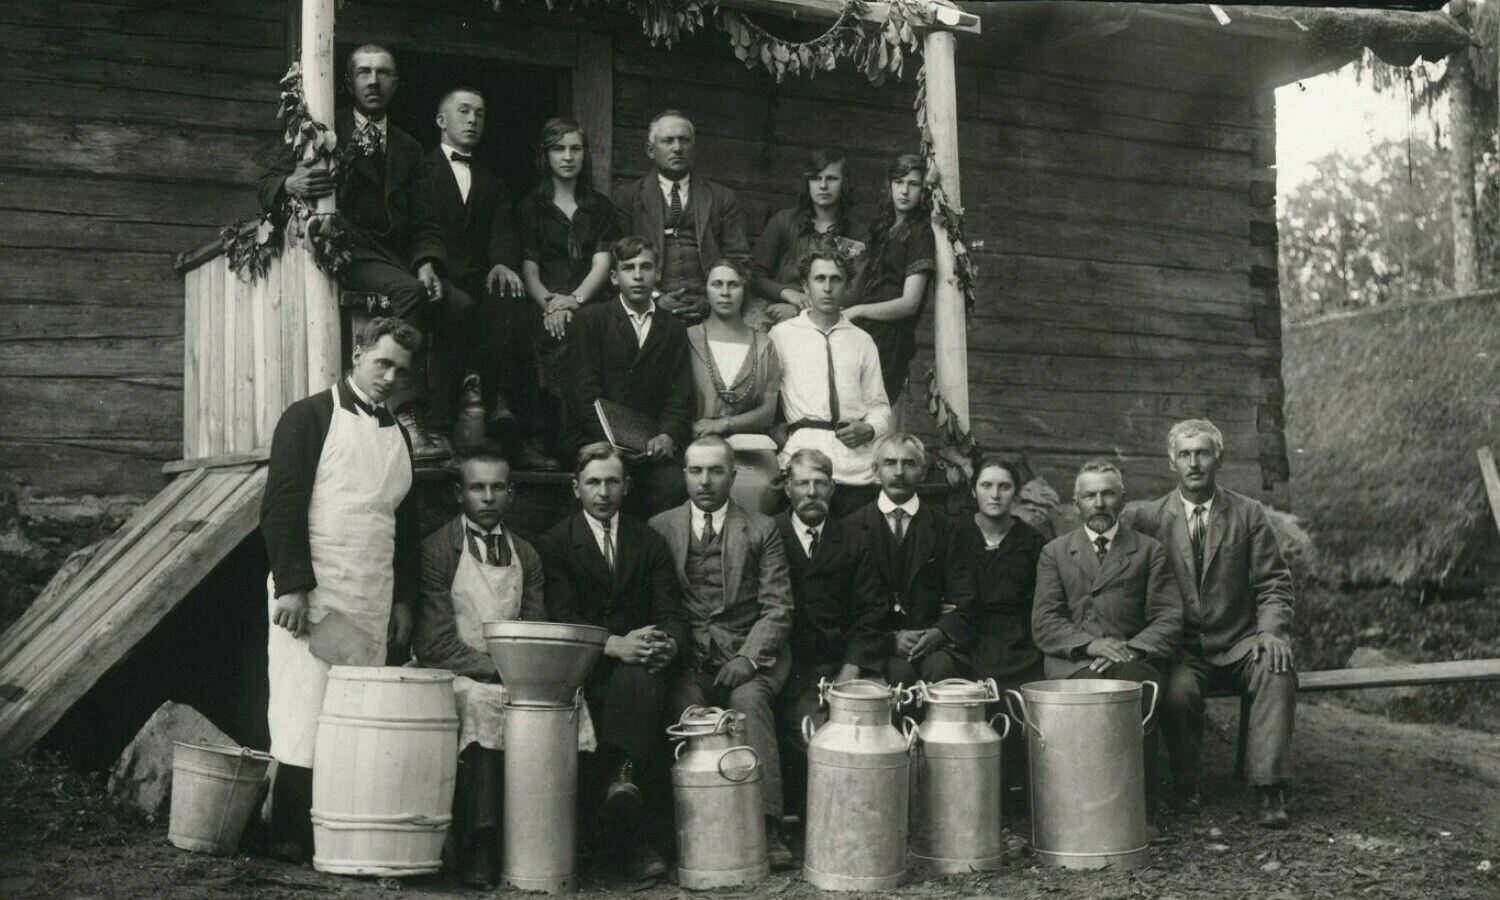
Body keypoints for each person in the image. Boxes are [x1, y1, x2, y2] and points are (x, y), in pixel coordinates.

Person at [259, 316, 422, 864]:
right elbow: (281, 504)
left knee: (354, 714)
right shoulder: (308, 417)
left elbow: (405, 526)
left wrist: (404, 600)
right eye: (382, 363)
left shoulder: (399, 434)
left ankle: (341, 829)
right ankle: (287, 831)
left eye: (400, 370)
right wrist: (292, 587)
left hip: (371, 593)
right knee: (302, 708)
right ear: (357, 354)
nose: (390, 378)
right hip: (314, 591)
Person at [256, 46, 461, 456]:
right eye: (364, 73)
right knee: (409, 293)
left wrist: (426, 262)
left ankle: (444, 423)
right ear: (348, 82)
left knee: (461, 305)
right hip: (347, 250)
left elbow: (425, 221)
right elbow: (265, 185)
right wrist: (290, 184)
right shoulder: (319, 133)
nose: (373, 81)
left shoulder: (409, 148)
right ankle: (406, 413)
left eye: (384, 73)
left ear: (395, 84)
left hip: (396, 255)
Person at [1123, 419, 1296, 827]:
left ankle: (1270, 788)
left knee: (1277, 669)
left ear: (1219, 458)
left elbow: (1274, 581)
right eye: (1185, 455)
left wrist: (1270, 630)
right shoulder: (1147, 519)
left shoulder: (1248, 513)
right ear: (1172, 463)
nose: (1194, 463)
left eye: (1202, 453)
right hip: (1180, 648)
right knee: (1178, 691)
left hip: (1239, 642)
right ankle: (1186, 783)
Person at [538, 443, 688, 879]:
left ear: (628, 486)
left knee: (637, 678)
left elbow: (672, 616)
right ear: (575, 488)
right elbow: (561, 616)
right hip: (585, 667)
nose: (603, 492)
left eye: (612, 481)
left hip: (643, 667)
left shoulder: (649, 541)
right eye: (593, 482)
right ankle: (628, 825)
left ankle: (621, 787)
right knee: (629, 678)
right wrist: (613, 644)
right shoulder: (556, 544)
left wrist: (670, 645)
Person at [650, 436, 795, 869]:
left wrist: (748, 658)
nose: (705, 481)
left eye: (716, 471)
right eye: (696, 471)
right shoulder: (659, 527)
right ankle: (689, 829)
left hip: (749, 656)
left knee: (748, 703)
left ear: (733, 475)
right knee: (686, 709)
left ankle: (767, 828)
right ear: (684, 476)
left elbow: (778, 607)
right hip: (689, 657)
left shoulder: (762, 529)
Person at [411, 450, 547, 887]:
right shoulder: (437, 550)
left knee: (557, 709)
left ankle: (539, 840)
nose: (487, 497)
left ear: (511, 492)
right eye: (476, 487)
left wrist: (518, 671)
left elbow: (535, 630)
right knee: (481, 701)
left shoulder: (526, 554)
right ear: (458, 493)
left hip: (513, 672)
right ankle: (479, 844)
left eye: (496, 487)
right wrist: (498, 671)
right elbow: (434, 642)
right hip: (451, 672)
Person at [1032, 459, 1184, 814]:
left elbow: (1168, 617)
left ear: (1123, 499)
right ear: (1076, 504)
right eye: (1089, 496)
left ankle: (1137, 809)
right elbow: (1045, 620)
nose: (1099, 504)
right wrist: (1090, 644)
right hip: (1073, 661)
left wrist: (1128, 648)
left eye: (1107, 494)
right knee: (1090, 700)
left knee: (1134, 693)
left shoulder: (1148, 551)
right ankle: (1080, 807)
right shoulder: (1054, 553)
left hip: (1130, 657)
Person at [410, 89, 549, 466]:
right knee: (458, 309)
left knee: (511, 297)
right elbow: (421, 226)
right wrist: (430, 264)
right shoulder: (421, 170)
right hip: (438, 274)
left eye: (480, 114)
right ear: (441, 121)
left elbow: (502, 229)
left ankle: (513, 421)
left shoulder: (493, 182)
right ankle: (439, 428)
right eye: (464, 111)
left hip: (478, 275)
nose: (473, 120)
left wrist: (503, 263)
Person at [774, 448, 884, 815]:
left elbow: (871, 612)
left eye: (820, 483)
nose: (811, 493)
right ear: (787, 488)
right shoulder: (768, 534)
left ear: (833, 489)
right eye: (802, 483)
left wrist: (851, 668)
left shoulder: (853, 539)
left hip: (838, 664)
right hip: (786, 663)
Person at [563, 236, 694, 518]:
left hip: (650, 445)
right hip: (596, 437)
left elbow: (680, 392)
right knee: (604, 481)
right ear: (613, 276)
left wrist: (667, 434)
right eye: (628, 268)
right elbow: (583, 391)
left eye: (646, 267)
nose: (638, 276)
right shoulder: (592, 320)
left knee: (673, 485)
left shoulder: (672, 328)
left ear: (658, 274)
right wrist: (608, 441)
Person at [517, 118, 621, 464]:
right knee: (536, 342)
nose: (567, 157)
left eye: (575, 149)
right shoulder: (531, 205)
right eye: (558, 149)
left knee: (588, 335)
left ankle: (586, 441)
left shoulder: (600, 207)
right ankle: (545, 442)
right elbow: (529, 268)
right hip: (542, 300)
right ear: (545, 155)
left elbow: (602, 265)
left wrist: (574, 301)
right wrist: (550, 304)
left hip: (587, 299)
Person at [841, 433, 976, 687]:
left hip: (934, 645)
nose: (899, 472)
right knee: (898, 675)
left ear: (923, 471)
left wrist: (939, 632)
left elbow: (964, 595)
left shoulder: (946, 528)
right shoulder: (851, 528)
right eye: (890, 463)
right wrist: (890, 638)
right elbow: (844, 604)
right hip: (876, 645)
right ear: (875, 471)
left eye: (909, 463)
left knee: (941, 669)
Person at [953, 455, 1047, 805]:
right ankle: (972, 792)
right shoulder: (955, 532)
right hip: (967, 635)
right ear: (974, 490)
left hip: (1017, 636)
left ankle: (1015, 793)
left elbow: (1039, 598)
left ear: (1016, 493)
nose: (995, 494)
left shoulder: (1031, 540)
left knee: (1018, 690)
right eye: (987, 485)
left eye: (1004, 487)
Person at [769, 249, 890, 518]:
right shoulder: (781, 336)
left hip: (855, 464)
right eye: (819, 278)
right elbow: (767, 399)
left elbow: (880, 407)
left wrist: (868, 429)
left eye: (836, 279)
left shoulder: (862, 340)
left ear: (847, 286)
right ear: (805, 285)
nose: (827, 287)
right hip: (803, 461)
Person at [612, 110, 750, 323]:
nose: (677, 148)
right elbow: (617, 261)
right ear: (650, 150)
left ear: (693, 148)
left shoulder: (722, 198)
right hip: (648, 307)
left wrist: (710, 299)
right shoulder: (628, 198)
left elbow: (739, 260)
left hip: (711, 308)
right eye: (668, 141)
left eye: (684, 140)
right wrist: (655, 298)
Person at [686, 259, 781, 511]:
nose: (725, 292)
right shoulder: (689, 337)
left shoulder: (764, 345)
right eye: (717, 284)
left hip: (750, 452)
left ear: (744, 290)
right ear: (706, 289)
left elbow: (768, 412)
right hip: (698, 448)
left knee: (761, 490)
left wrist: (723, 424)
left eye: (733, 285)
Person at [841, 153, 935, 405]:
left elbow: (910, 302)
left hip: (891, 337)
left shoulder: (920, 233)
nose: (904, 191)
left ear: (924, 190)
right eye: (898, 182)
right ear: (890, 185)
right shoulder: (884, 227)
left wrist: (858, 310)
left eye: (913, 184)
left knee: (872, 411)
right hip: (866, 329)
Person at [752, 150, 861, 327]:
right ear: (807, 183)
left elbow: (853, 292)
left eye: (832, 179)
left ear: (844, 184)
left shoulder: (856, 233)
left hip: (830, 317)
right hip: (776, 310)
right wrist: (786, 293)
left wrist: (800, 311)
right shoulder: (783, 221)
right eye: (816, 178)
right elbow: (754, 276)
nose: (823, 185)